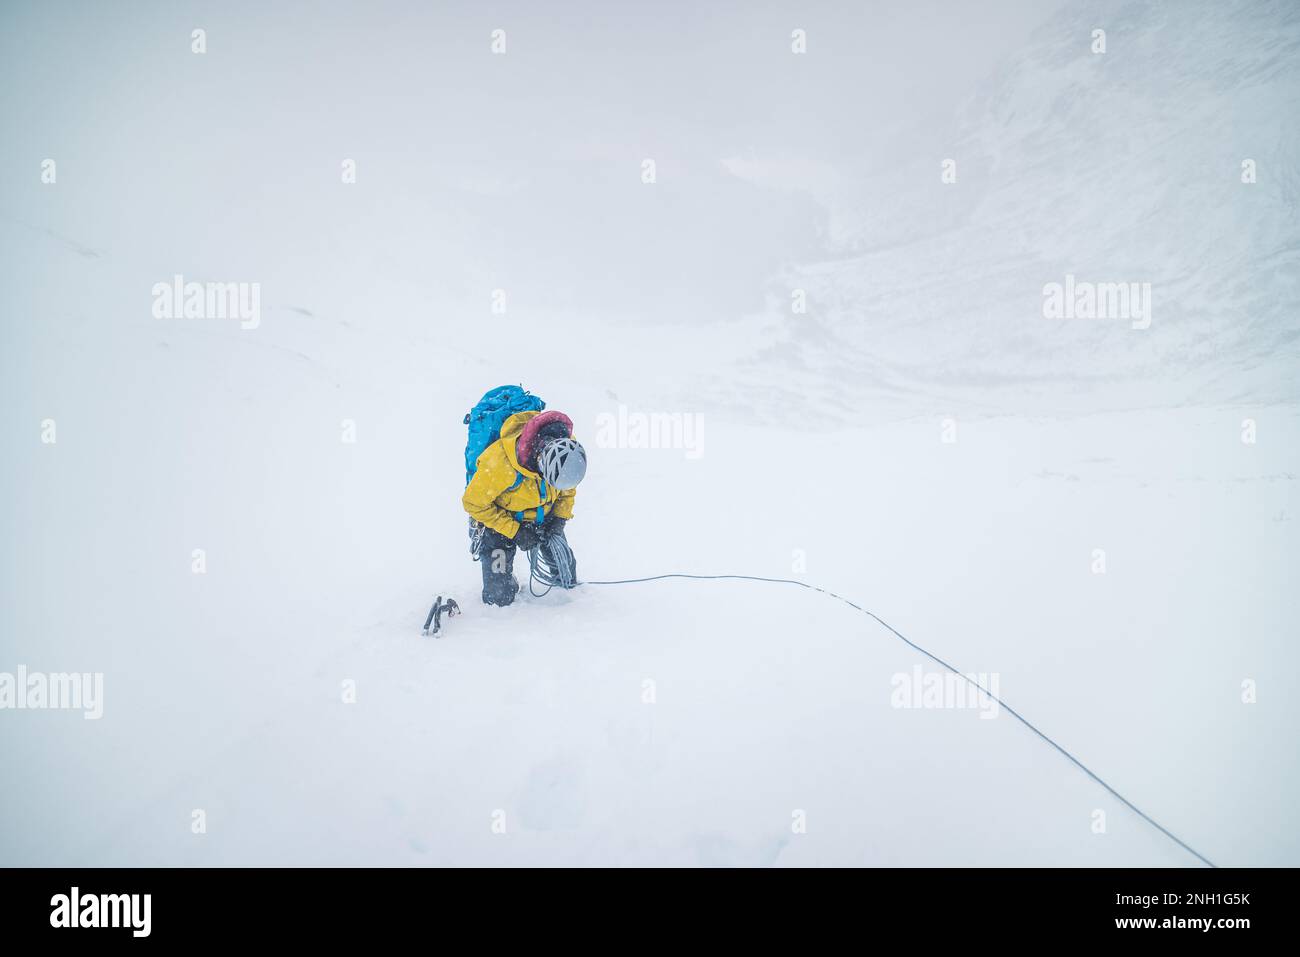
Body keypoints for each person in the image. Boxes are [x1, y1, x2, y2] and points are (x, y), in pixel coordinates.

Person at [462, 410, 587, 606]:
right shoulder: (499, 463)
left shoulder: (566, 452)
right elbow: (473, 503)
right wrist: (516, 531)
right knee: (498, 598)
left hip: (544, 519)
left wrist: (559, 520)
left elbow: (567, 490)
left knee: (567, 580)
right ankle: (506, 583)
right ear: (540, 463)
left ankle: (564, 588)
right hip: (500, 525)